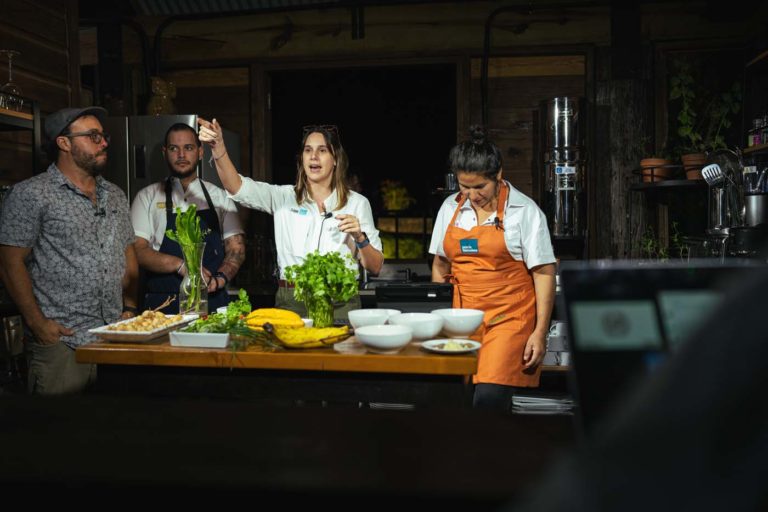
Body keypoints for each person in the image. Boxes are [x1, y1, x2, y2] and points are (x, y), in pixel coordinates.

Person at [0, 106, 138, 395]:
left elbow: (127, 252)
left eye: (103, 136)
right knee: (60, 436)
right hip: (64, 342)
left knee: (118, 433)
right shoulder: (31, 194)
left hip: (115, 339)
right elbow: (10, 263)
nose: (104, 143)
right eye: (93, 136)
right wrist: (38, 324)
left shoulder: (115, 194)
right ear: (64, 143)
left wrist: (130, 307)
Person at [197, 119, 383, 318]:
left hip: (340, 302)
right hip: (292, 300)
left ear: (335, 158)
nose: (313, 156)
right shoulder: (284, 197)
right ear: (301, 158)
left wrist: (360, 237)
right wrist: (218, 148)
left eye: (322, 150)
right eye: (308, 150)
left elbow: (376, 266)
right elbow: (237, 187)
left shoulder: (357, 203)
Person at [429, 126, 556, 411]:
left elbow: (544, 272)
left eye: (479, 187)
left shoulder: (524, 211)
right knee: (453, 401)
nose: (471, 195)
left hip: (507, 319)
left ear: (498, 175)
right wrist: (437, 319)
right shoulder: (450, 208)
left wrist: (540, 332)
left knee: (488, 398)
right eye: (464, 186)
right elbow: (440, 265)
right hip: (460, 322)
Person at [131, 123, 245, 313]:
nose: (181, 155)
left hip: (212, 301)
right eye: (174, 148)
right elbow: (137, 251)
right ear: (164, 152)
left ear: (200, 152)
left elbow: (236, 249)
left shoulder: (219, 197)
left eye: (189, 148)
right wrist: (182, 266)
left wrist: (220, 279)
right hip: (162, 306)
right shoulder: (147, 197)